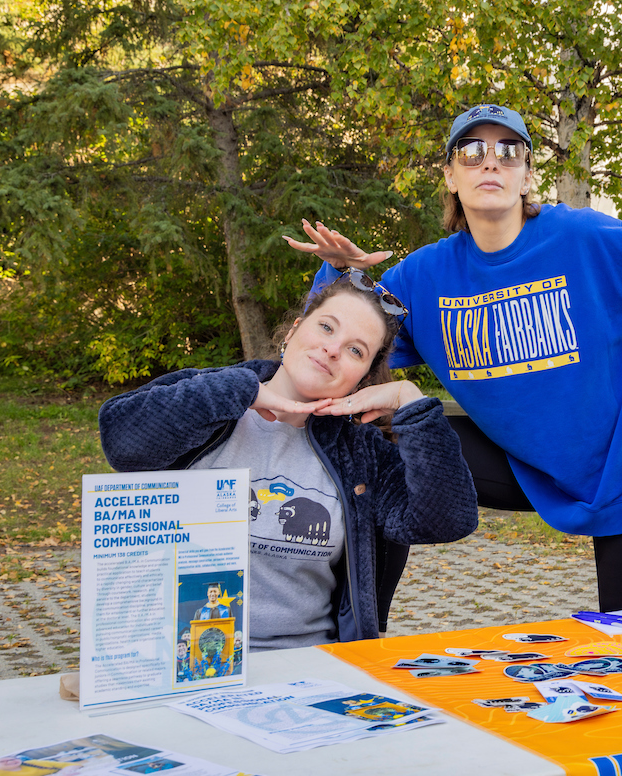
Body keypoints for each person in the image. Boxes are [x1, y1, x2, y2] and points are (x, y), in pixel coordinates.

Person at [285, 103, 622, 611]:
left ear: (526, 175)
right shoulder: (426, 277)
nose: (490, 163)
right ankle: (362, 626)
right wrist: (339, 274)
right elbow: (350, 337)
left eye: (508, 151)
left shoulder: (584, 238)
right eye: (472, 152)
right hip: (522, 463)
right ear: (450, 176)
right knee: (383, 446)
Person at [98, 275, 478, 648]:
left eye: (355, 351)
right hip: (179, 658)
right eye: (327, 328)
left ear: (363, 377)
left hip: (309, 666)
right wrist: (242, 390)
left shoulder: (361, 451)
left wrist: (411, 402)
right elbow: (121, 441)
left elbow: (447, 519)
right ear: (293, 331)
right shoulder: (210, 400)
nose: (333, 349)